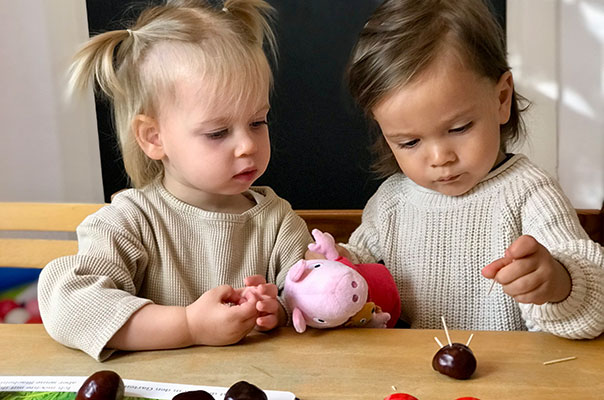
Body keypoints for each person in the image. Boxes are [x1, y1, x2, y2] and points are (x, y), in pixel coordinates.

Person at [38, 0, 312, 361]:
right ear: (154, 138)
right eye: (218, 132)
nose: (247, 145)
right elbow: (68, 304)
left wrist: (275, 310)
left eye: (258, 122)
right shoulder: (130, 222)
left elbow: (317, 302)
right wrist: (188, 325)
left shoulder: (278, 223)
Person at [331, 0, 603, 338]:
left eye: (459, 128)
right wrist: (334, 262)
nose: (440, 157)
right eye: (409, 143)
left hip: (511, 378)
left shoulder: (530, 193)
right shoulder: (390, 203)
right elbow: (360, 269)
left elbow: (596, 299)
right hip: (413, 377)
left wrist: (557, 282)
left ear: (502, 98)